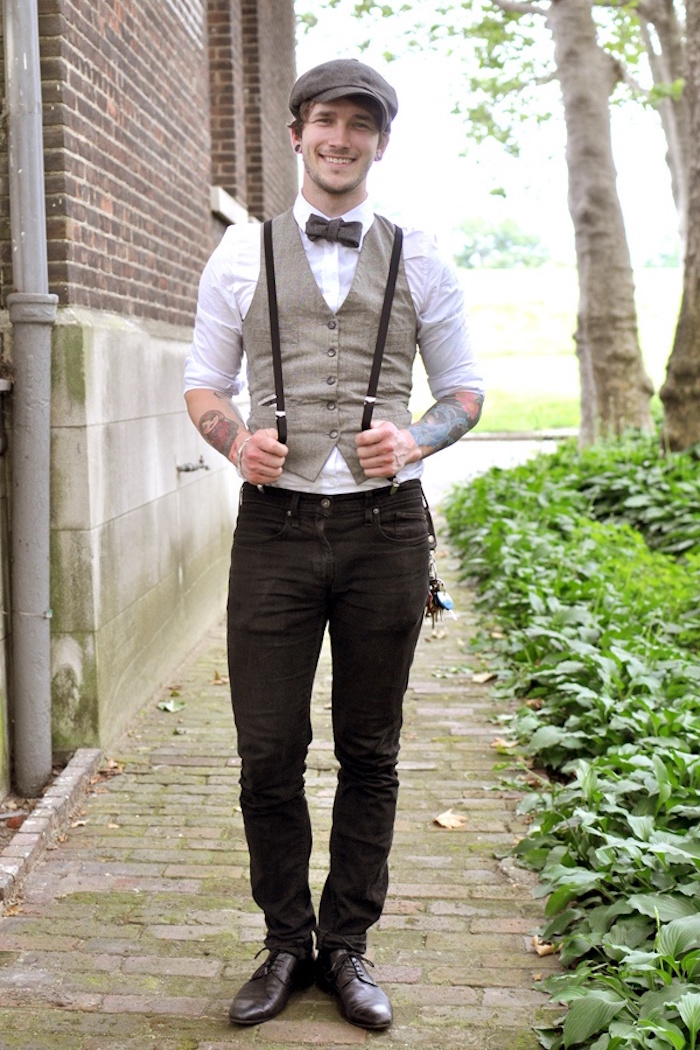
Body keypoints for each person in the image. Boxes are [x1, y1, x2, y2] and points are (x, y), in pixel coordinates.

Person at [184, 57, 484, 1031]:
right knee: (267, 751)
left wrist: (418, 435)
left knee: (371, 747)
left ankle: (347, 947)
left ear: (379, 142)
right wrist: (237, 442)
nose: (341, 138)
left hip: (383, 531)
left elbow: (463, 392)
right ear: (297, 132)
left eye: (360, 124)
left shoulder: (422, 255)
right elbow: (202, 383)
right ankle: (284, 944)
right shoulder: (238, 255)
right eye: (325, 120)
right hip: (273, 532)